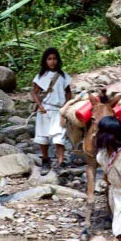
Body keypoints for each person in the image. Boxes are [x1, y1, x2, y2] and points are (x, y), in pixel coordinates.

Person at [32, 47, 72, 175]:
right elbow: (34, 92)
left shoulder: (63, 76)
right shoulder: (41, 76)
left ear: (58, 60)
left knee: (59, 137)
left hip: (59, 111)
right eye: (49, 59)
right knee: (43, 137)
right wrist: (40, 105)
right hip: (45, 110)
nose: (52, 61)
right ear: (45, 61)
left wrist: (66, 105)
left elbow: (68, 92)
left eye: (54, 59)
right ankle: (45, 160)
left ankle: (61, 162)